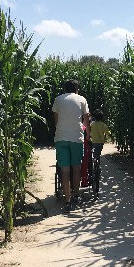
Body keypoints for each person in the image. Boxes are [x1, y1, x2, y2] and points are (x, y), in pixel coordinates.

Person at [52, 79, 90, 212]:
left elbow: (56, 121)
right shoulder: (82, 99)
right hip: (76, 138)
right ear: (76, 89)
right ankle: (76, 195)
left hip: (61, 137)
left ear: (64, 89)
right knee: (76, 167)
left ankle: (67, 201)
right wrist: (88, 135)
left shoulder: (58, 100)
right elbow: (86, 120)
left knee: (65, 170)